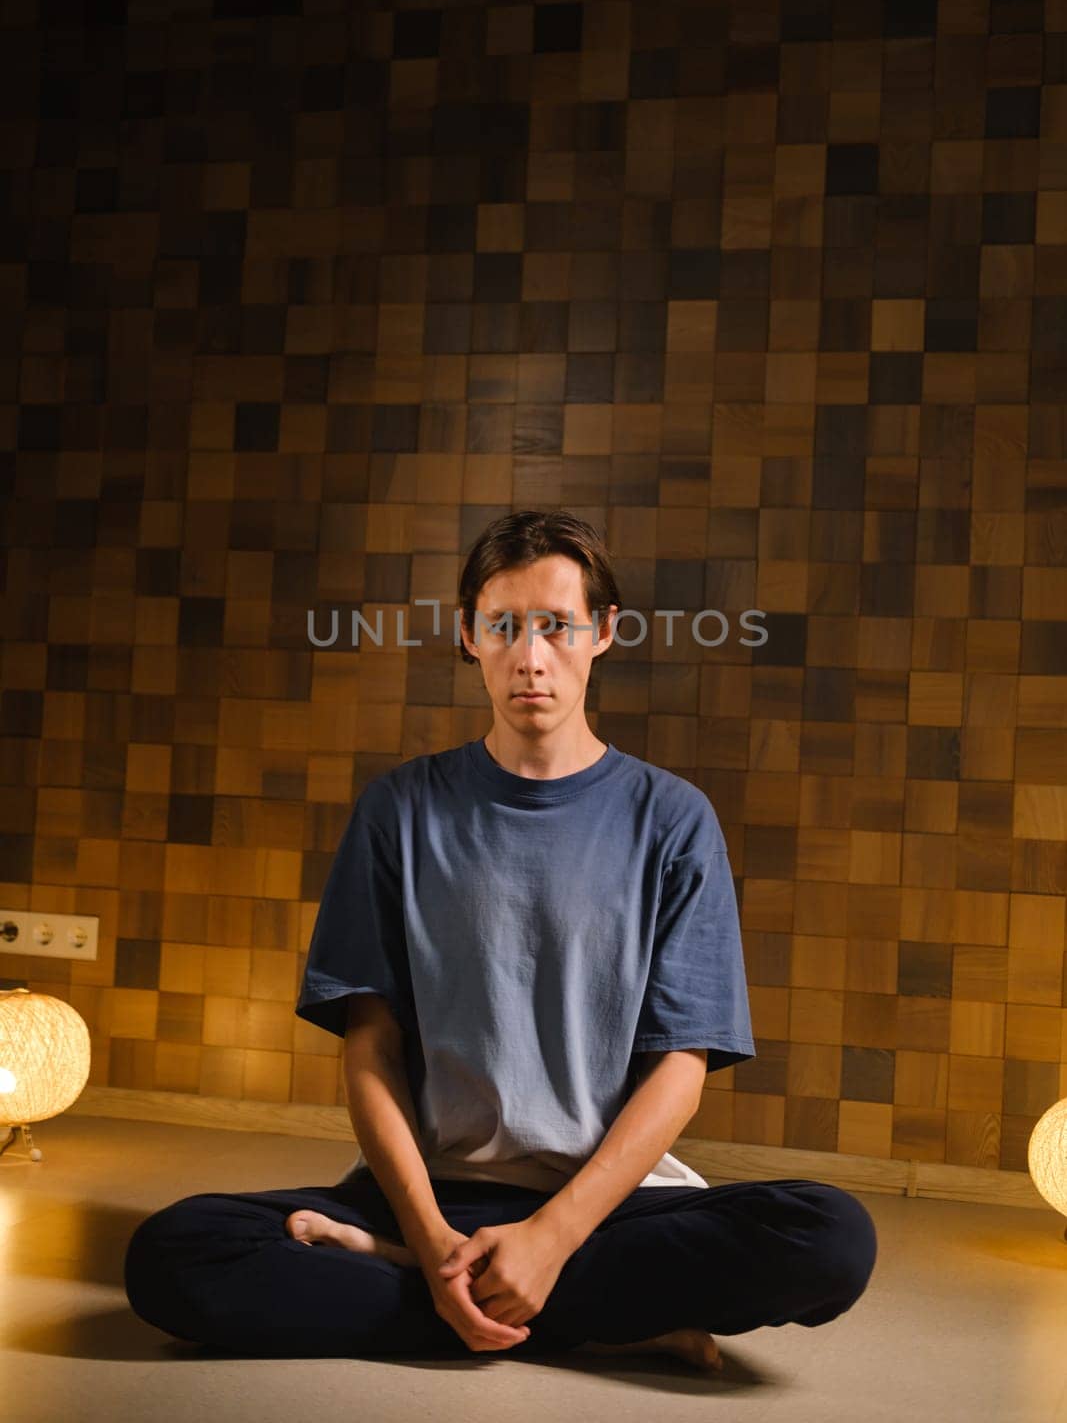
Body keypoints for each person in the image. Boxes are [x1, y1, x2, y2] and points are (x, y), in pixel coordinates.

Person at [124, 510, 877, 1369]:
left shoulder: (671, 820)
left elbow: (681, 1068)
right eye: (502, 627)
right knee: (173, 1254)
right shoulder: (400, 811)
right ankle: (566, 1309)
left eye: (556, 627)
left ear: (603, 635)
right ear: (468, 638)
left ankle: (432, 1287)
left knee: (829, 1238)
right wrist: (430, 1236)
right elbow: (370, 1048)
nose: (530, 656)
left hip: (604, 1209)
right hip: (432, 1196)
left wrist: (552, 1237)